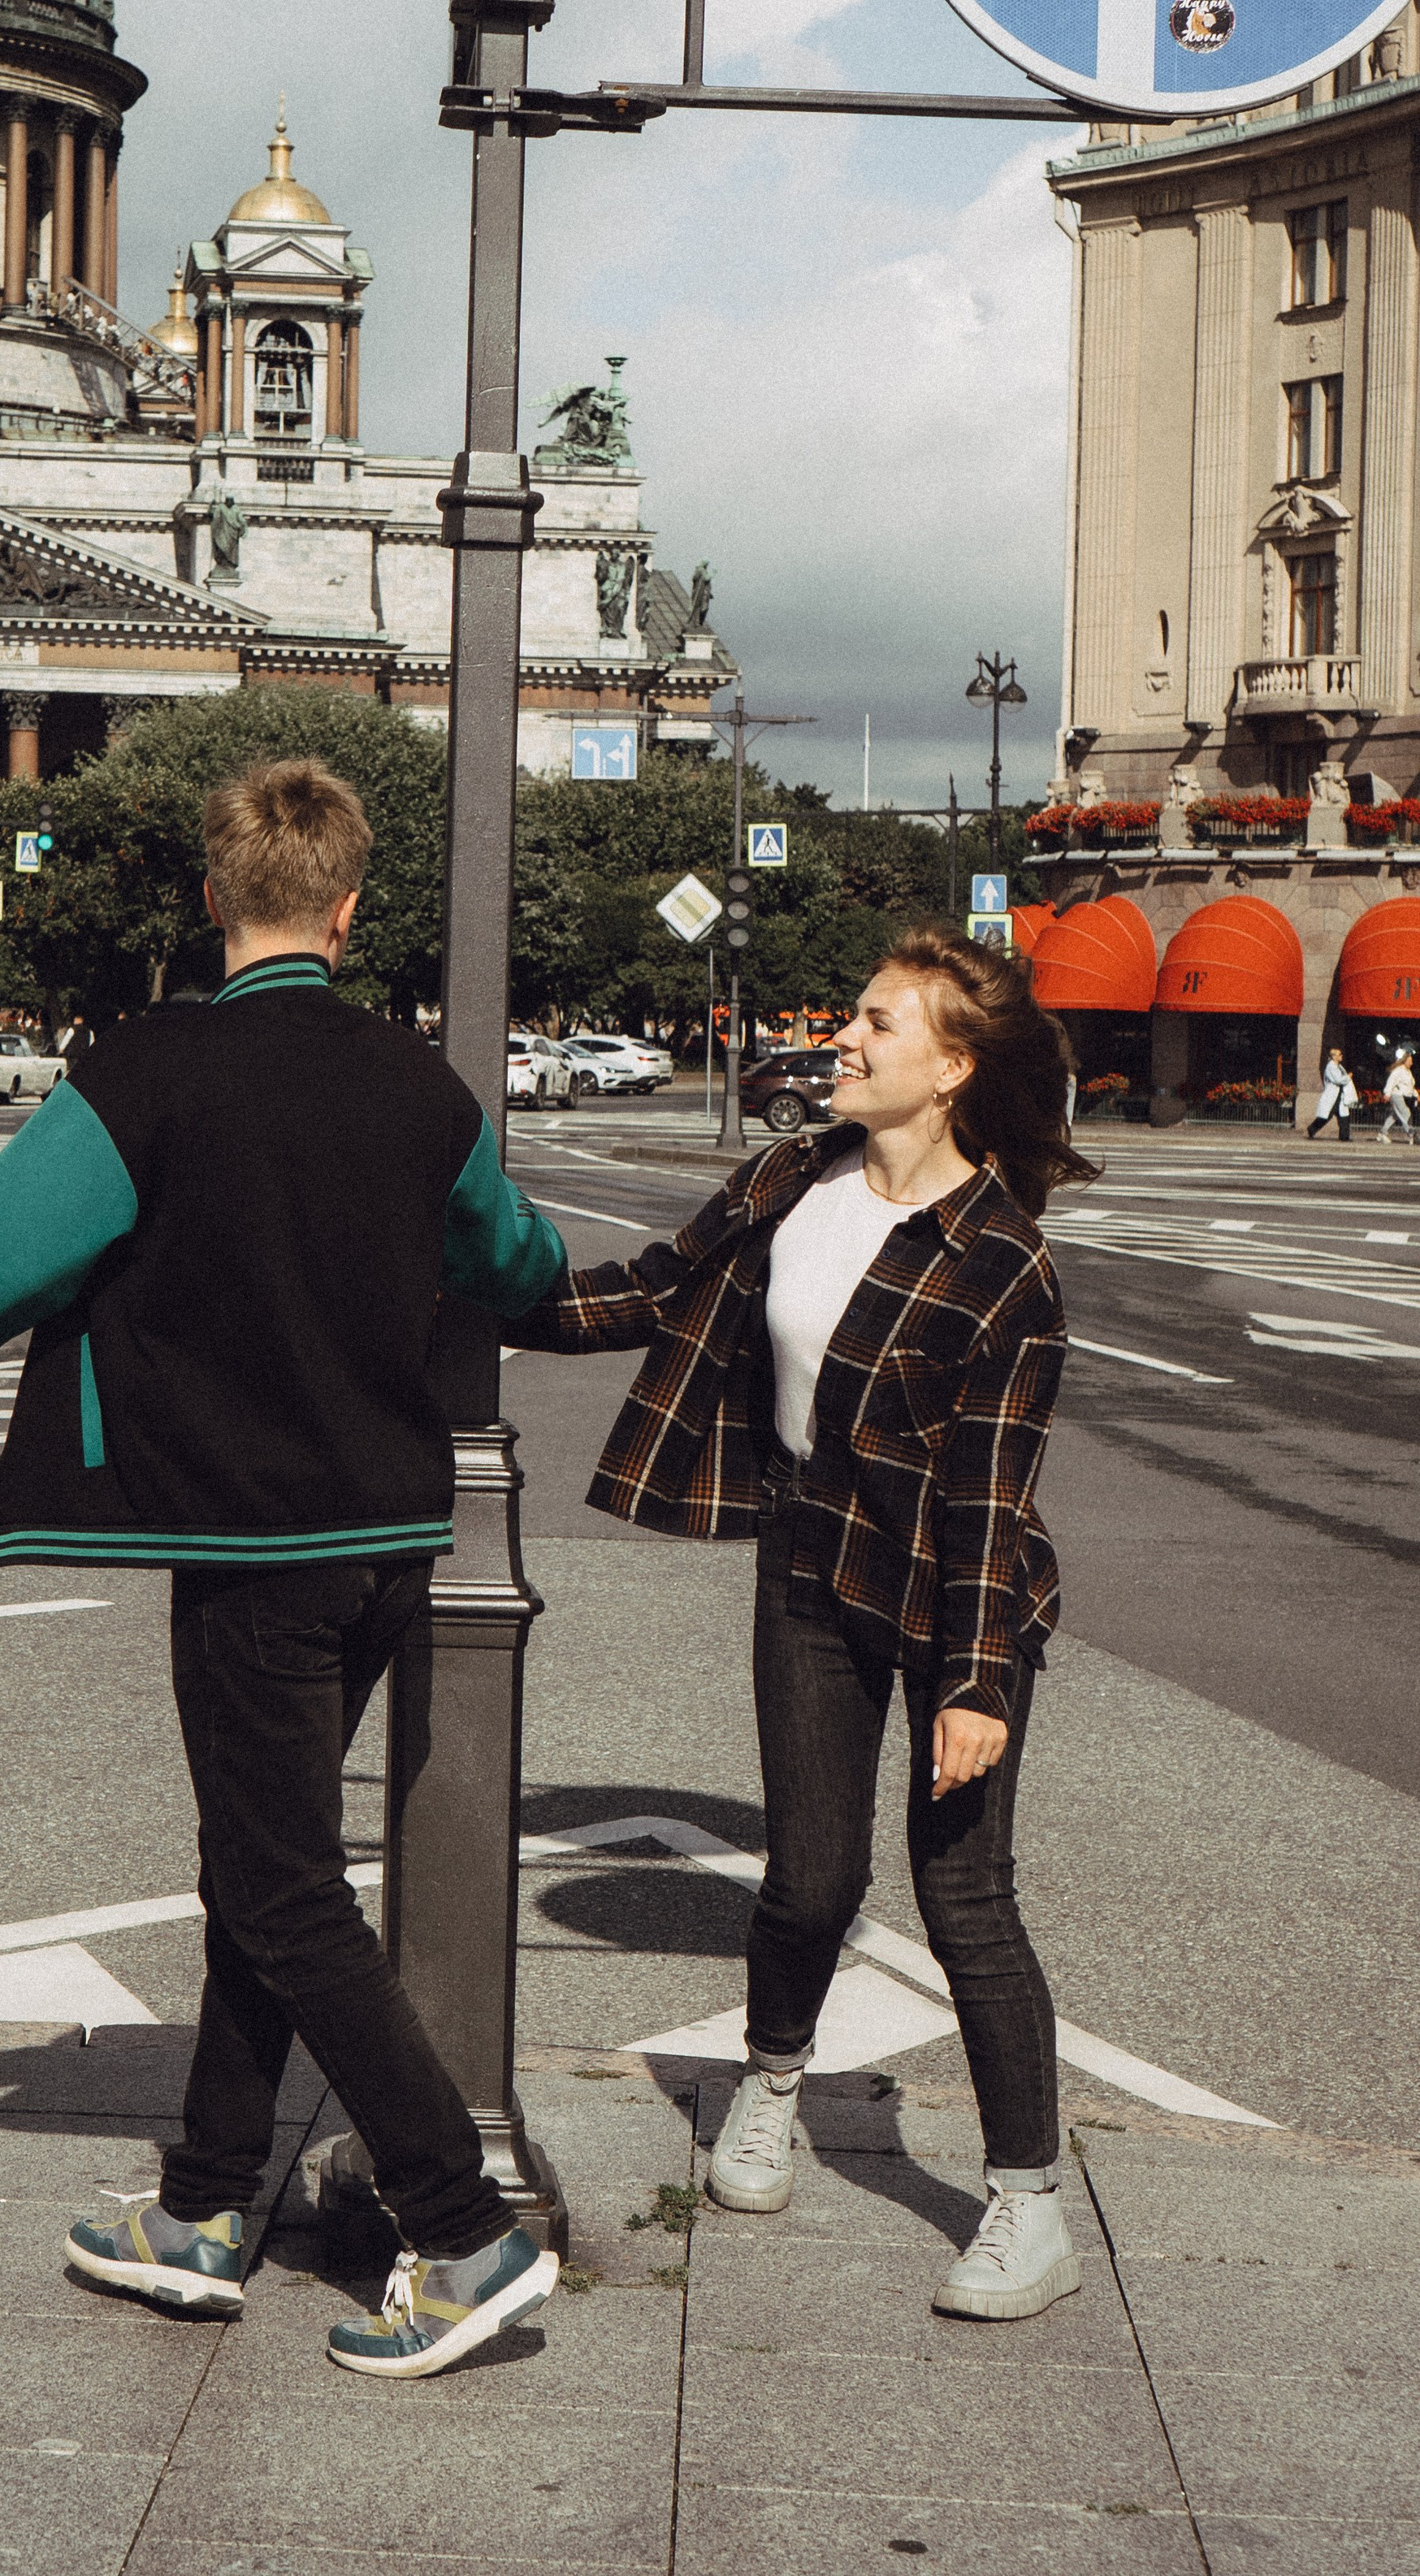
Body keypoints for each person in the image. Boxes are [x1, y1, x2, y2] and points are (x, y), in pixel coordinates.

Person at [0, 758, 567, 2380]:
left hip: (244, 1542)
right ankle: (205, 2206)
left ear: (213, 898)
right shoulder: (421, 1089)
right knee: (263, 1860)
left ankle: (460, 2229)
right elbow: (511, 1259)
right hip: (385, 1536)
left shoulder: (145, 1071)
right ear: (351, 909)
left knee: (283, 1885)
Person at [511, 925, 1098, 2325]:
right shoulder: (793, 1178)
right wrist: (470, 1300)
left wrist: (975, 1685)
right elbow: (657, 1289)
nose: (843, 1037)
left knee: (967, 1899)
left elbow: (986, 1505)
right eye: (854, 1015)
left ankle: (1026, 2207)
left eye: (878, 1023)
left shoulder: (1002, 1264)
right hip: (809, 1573)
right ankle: (771, 2087)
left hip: (958, 1601)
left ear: (952, 1067)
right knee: (808, 1879)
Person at [1308, 1047, 1357, 1141]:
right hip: (1332, 1096)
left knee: (1344, 1116)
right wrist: (1348, 1077)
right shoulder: (1331, 1067)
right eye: (1340, 1054)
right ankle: (1312, 1129)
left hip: (1339, 1096)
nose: (1341, 1056)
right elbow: (1338, 1080)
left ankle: (1344, 1137)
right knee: (1326, 1116)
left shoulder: (1338, 1066)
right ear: (1334, 1057)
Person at [1380, 1048, 1416, 1143]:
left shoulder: (1408, 1072)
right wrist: (1387, 1094)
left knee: (1395, 1115)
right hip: (1396, 1095)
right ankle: (1411, 1132)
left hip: (1403, 1096)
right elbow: (1391, 1082)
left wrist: (1416, 1094)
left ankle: (1383, 1132)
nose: (1411, 1063)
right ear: (1404, 1061)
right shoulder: (1399, 1070)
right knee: (1406, 1112)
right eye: (1410, 1061)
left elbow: (1410, 1086)